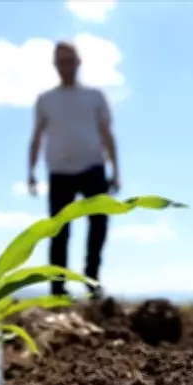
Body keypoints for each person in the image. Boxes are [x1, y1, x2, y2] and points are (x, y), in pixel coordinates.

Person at [26, 40, 120, 299]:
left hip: (93, 167)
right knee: (58, 230)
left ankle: (92, 279)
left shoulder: (95, 96)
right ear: (55, 65)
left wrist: (116, 171)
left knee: (98, 224)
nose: (66, 66)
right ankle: (58, 288)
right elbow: (36, 137)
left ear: (78, 63)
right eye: (61, 62)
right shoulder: (46, 99)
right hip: (59, 172)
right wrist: (31, 172)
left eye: (70, 61)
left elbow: (107, 134)